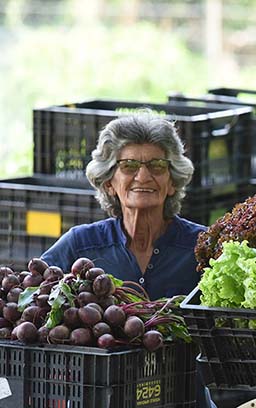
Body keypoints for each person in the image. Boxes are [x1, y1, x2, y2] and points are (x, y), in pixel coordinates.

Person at [40, 112, 215, 408]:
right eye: (129, 165)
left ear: (172, 182)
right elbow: (32, 301)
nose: (143, 177)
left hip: (186, 401)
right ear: (109, 182)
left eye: (157, 166)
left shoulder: (202, 248)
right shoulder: (81, 246)